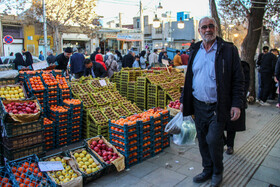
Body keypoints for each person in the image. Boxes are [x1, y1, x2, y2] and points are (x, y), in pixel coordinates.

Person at [180, 17, 244, 187]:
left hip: (218, 106)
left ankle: (217, 170)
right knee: (202, 139)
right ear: (199, 31)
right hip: (198, 104)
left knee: (213, 139)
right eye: (204, 27)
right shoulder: (195, 50)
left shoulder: (228, 50)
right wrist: (183, 101)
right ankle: (207, 169)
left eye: (211, 26)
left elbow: (238, 80)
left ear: (216, 28)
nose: (207, 30)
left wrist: (237, 103)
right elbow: (189, 79)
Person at [224, 60, 250, 155]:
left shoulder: (242, 66)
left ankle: (230, 145)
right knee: (217, 124)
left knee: (232, 125)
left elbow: (244, 85)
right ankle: (223, 141)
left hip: (233, 100)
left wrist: (238, 102)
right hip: (221, 100)